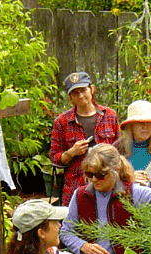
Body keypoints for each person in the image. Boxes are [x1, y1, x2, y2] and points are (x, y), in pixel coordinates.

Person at [49, 72, 120, 205]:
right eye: (75, 93)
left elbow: (120, 150)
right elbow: (54, 158)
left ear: (91, 89)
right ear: (70, 97)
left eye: (83, 90)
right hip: (76, 186)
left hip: (108, 183)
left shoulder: (110, 115)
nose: (81, 96)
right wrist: (71, 152)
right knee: (75, 223)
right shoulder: (62, 121)